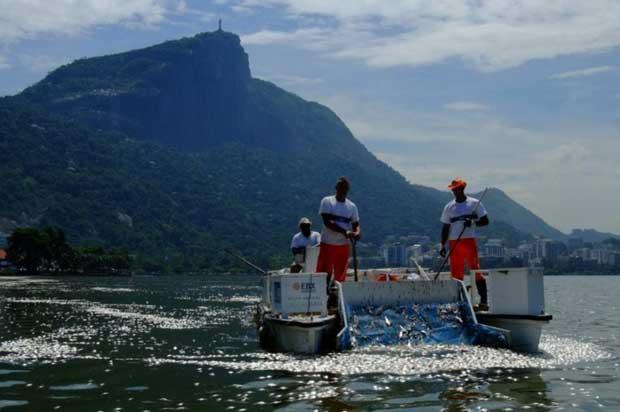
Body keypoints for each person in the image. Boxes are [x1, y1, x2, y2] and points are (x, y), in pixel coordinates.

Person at [439, 178, 490, 309]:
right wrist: (442, 245)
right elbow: (445, 227)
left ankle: (483, 301)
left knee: (476, 270)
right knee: (456, 273)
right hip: (454, 242)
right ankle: (458, 301)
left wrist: (472, 223)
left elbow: (485, 221)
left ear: (462, 189)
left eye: (456, 189)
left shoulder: (474, 204)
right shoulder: (449, 207)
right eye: (453, 189)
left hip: (468, 240)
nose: (454, 191)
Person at [317, 177, 361, 283]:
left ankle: (336, 295)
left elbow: (356, 223)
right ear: (336, 188)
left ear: (347, 189)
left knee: (340, 274)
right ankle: (323, 294)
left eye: (345, 187)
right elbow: (327, 222)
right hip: (328, 243)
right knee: (324, 273)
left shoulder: (352, 206)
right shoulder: (327, 201)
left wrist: (357, 232)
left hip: (343, 245)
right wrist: (345, 232)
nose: (342, 189)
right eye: (340, 187)